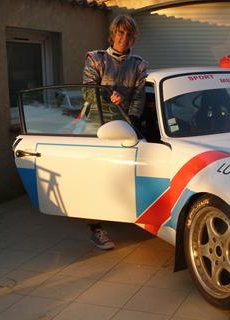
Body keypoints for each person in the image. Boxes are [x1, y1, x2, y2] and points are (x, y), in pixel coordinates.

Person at [82, 14, 148, 249]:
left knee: (123, 175)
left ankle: (123, 214)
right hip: (96, 126)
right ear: (112, 34)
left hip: (125, 126)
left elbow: (139, 98)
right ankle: (95, 228)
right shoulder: (95, 58)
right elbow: (87, 92)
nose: (124, 38)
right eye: (120, 33)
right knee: (95, 176)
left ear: (134, 38)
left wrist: (130, 122)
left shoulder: (139, 64)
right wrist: (108, 97)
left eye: (129, 34)